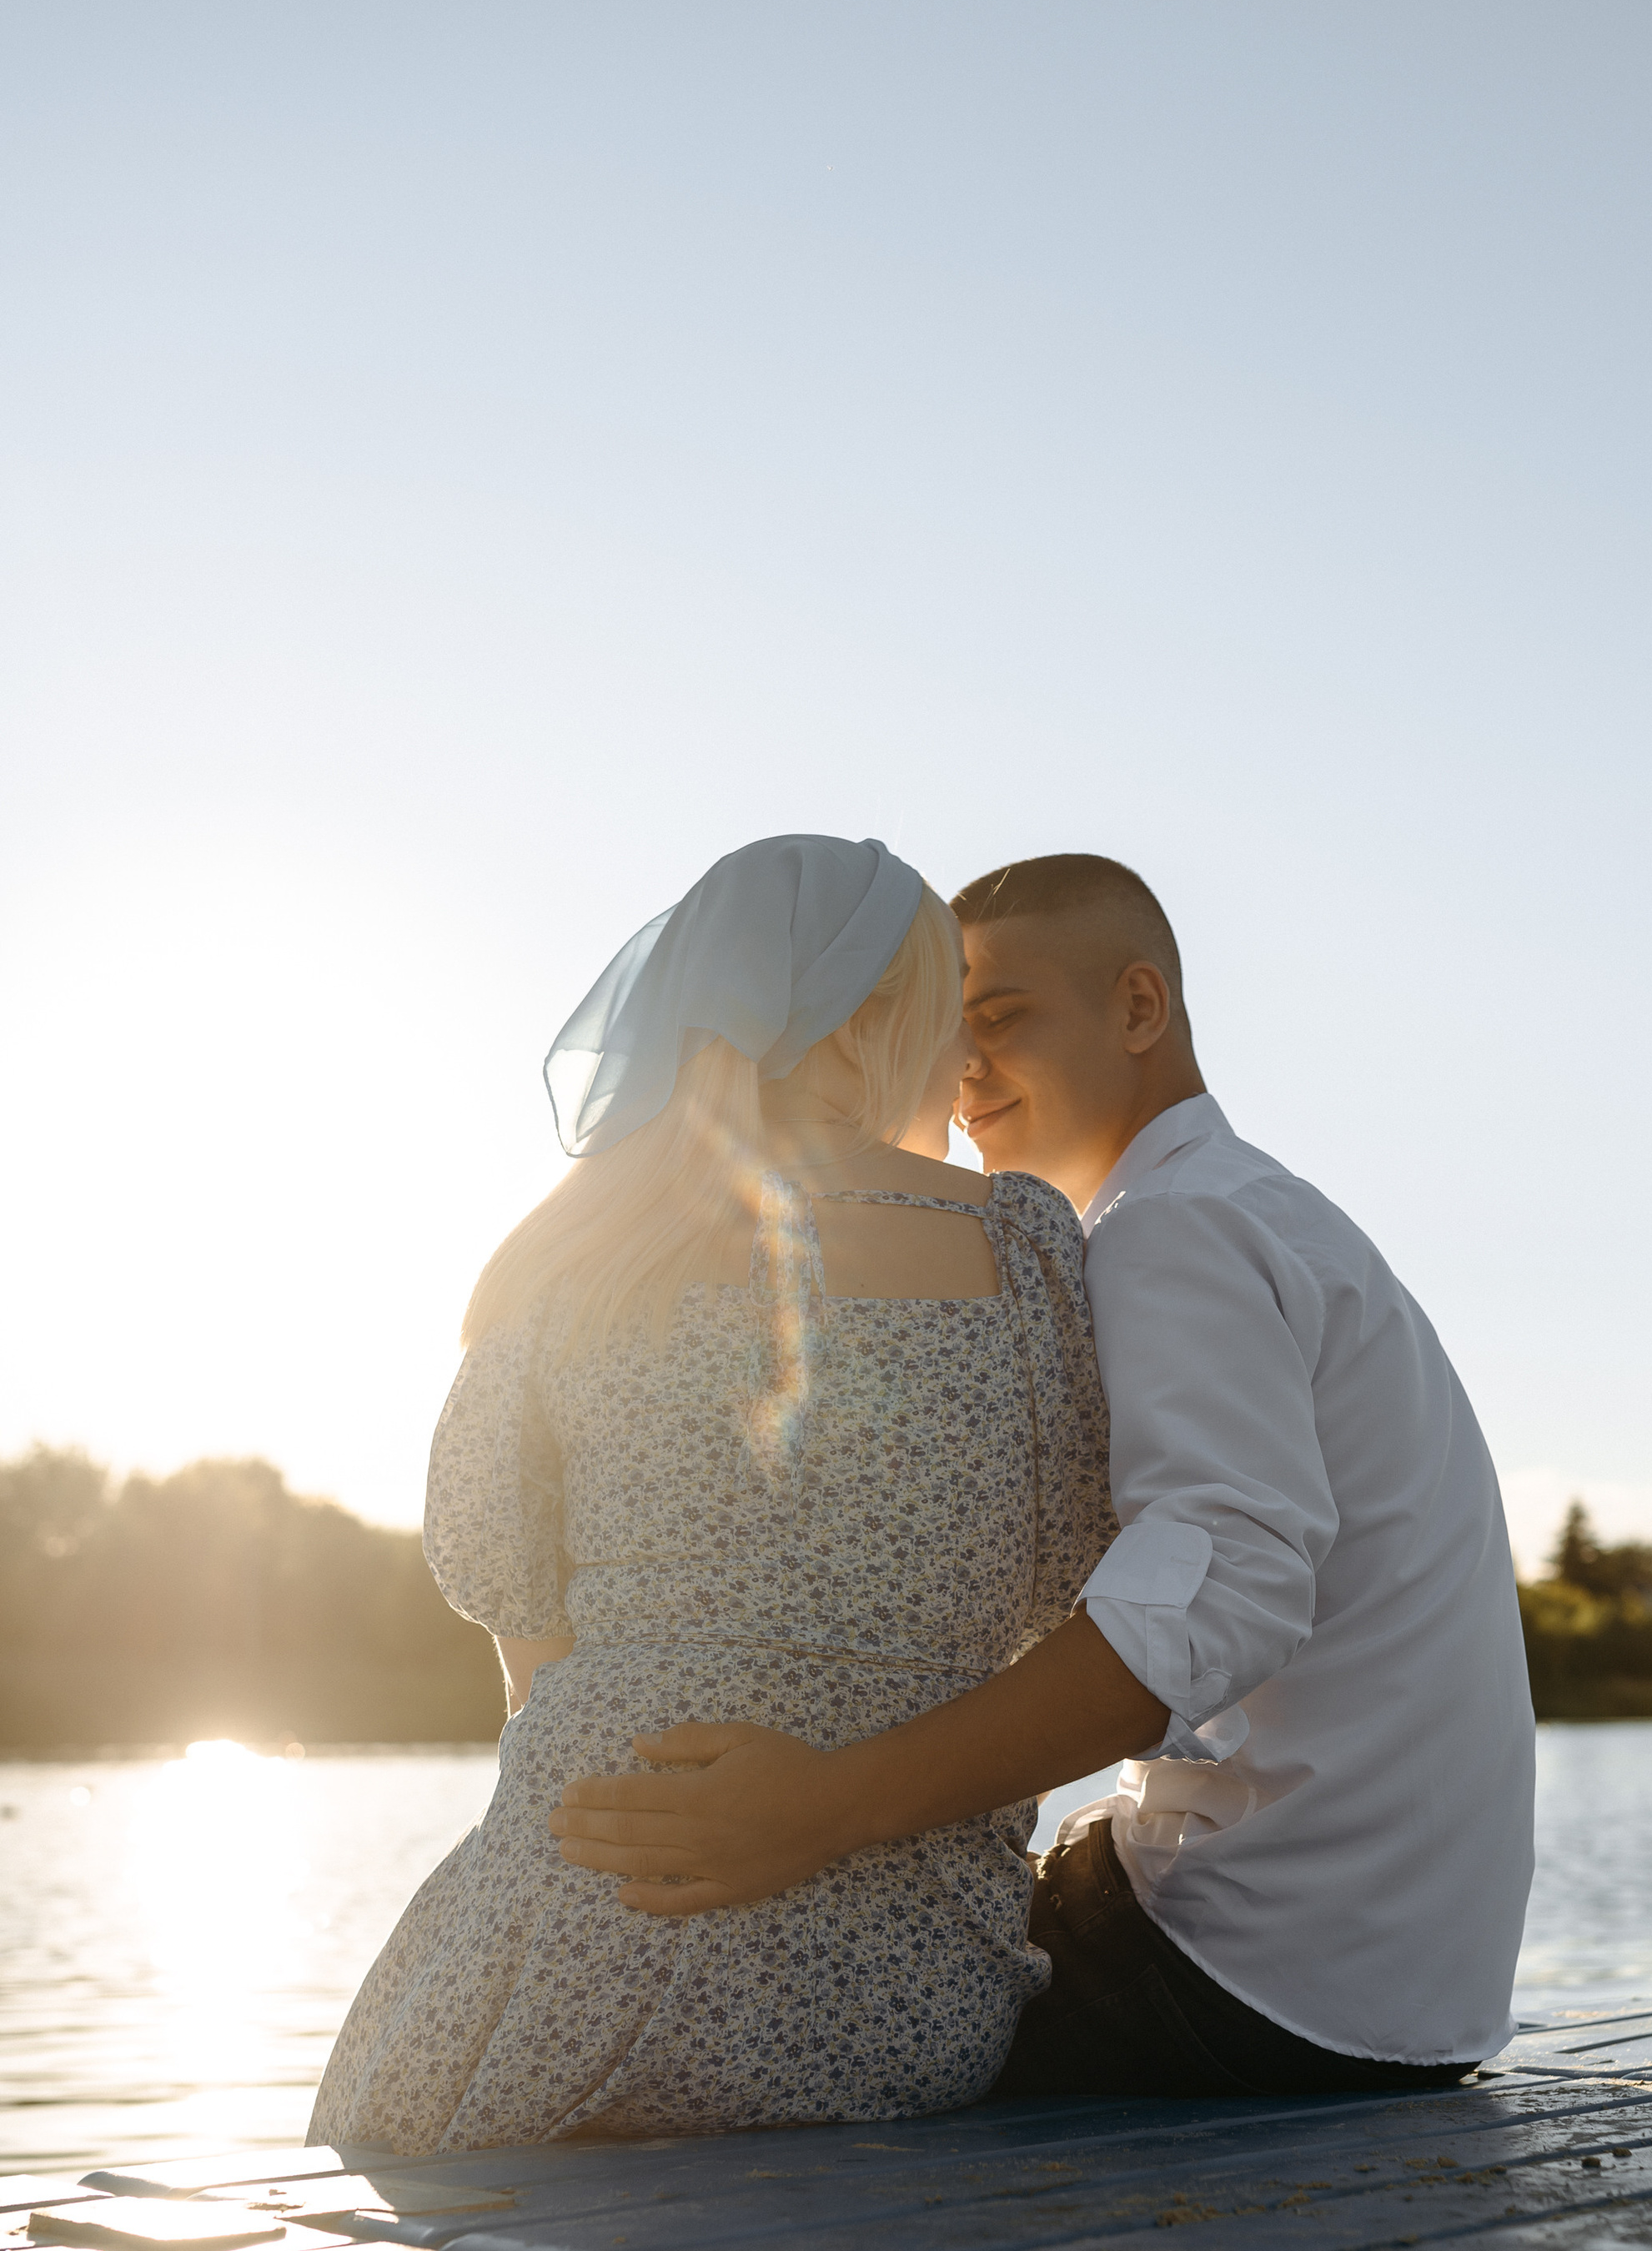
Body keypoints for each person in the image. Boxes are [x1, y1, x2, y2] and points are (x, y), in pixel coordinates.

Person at [550, 852, 1536, 2093]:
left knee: (750, 1986)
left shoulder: (1165, 1232)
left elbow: (1223, 1589)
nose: (960, 1071)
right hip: (1393, 1970)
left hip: (1254, 1968)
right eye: (946, 1030)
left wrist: (824, 1803)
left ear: (1137, 1010)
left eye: (1003, 1021)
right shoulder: (1256, 1209)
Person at [308, 834, 1110, 2157]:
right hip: (905, 1996)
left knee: (394, 2123)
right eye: (935, 1015)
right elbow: (1067, 1582)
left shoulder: (574, 1258)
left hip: (584, 1939)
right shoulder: (1022, 1249)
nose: (955, 1062)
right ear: (861, 1028)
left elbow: (531, 1656)